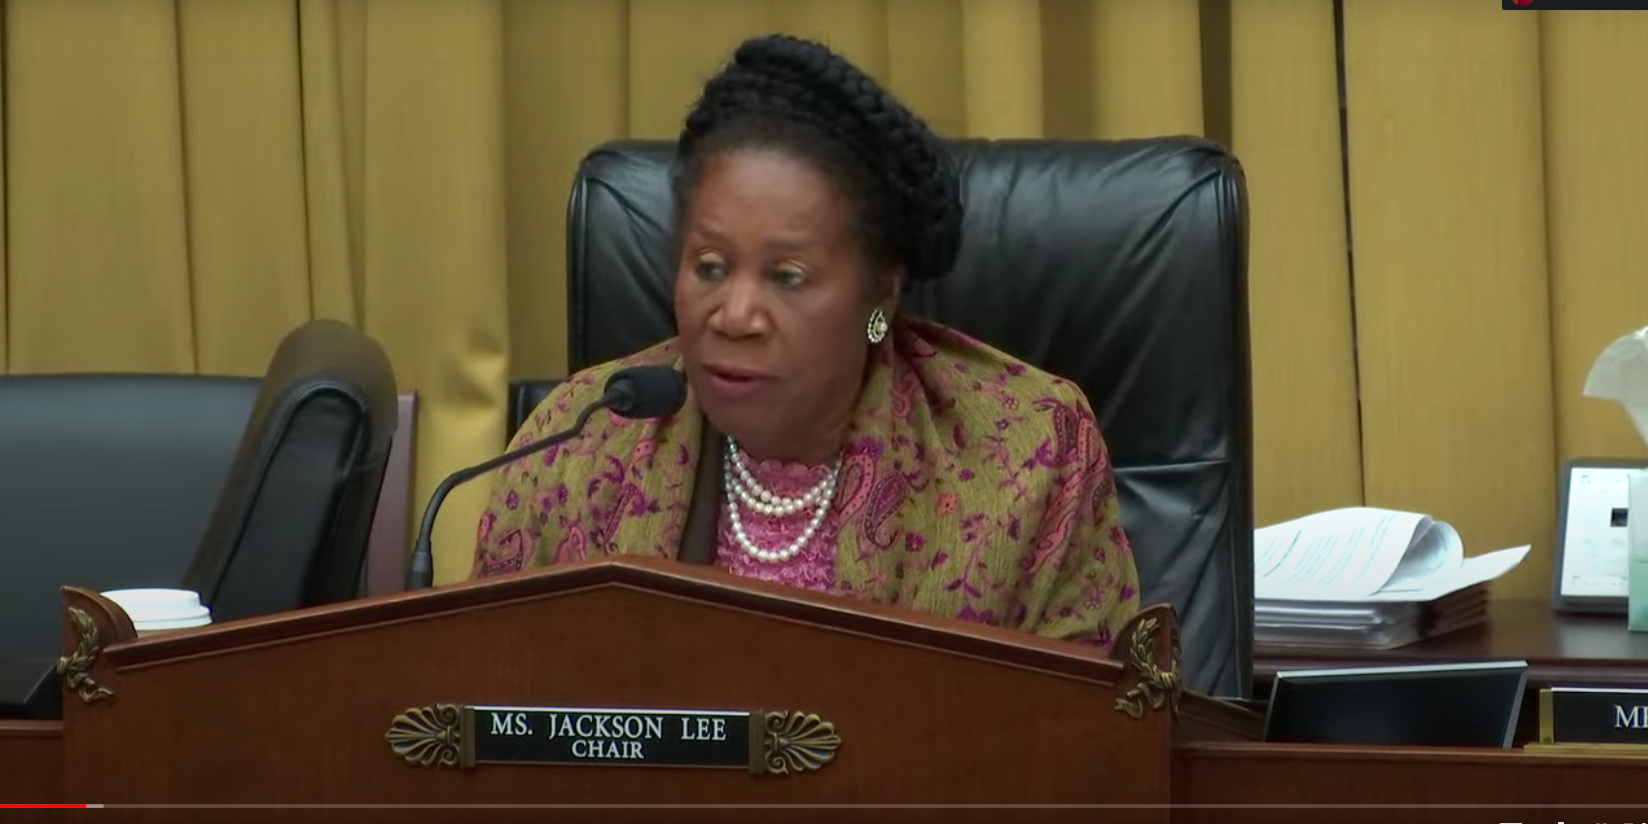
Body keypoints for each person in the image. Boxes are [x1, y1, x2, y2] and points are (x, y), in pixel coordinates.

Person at [471, 33, 1140, 650]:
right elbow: (491, 698)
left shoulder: (1030, 455)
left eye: (786, 277)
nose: (734, 315)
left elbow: (1087, 739)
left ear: (881, 292)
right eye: (709, 267)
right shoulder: (573, 445)